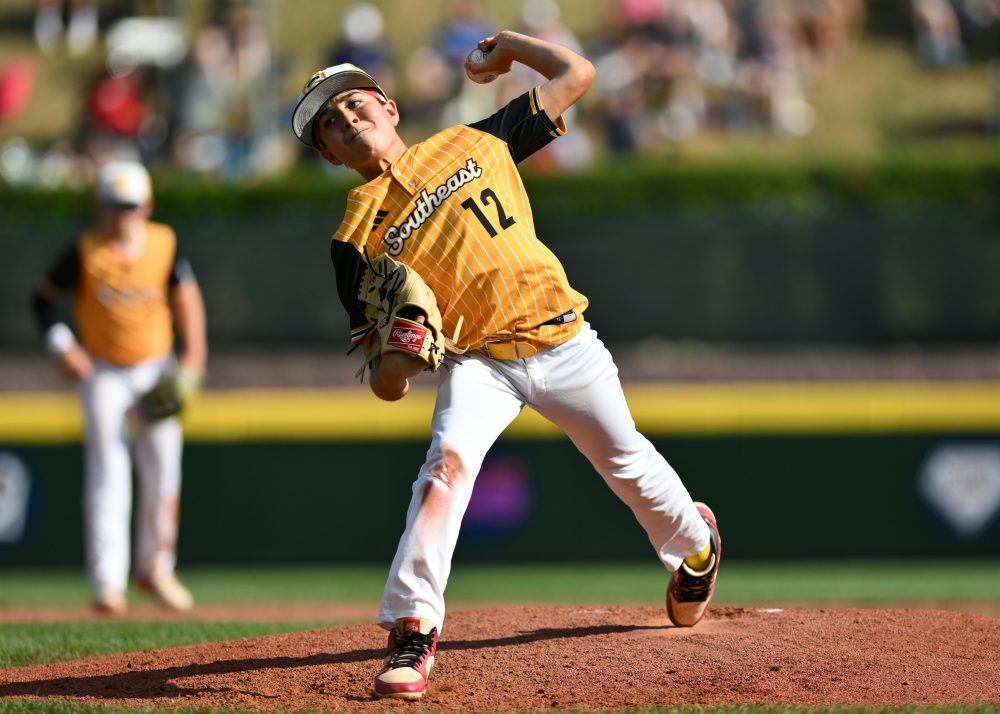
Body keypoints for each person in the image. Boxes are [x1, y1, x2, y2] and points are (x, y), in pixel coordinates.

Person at [290, 31, 721, 701]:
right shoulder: (353, 238)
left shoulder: (475, 141)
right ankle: (412, 630)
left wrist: (511, 50)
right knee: (444, 468)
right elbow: (384, 383)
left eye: (354, 102)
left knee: (625, 461)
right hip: (477, 362)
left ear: (389, 107)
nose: (347, 118)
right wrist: (399, 358)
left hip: (564, 339)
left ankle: (696, 546)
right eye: (329, 121)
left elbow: (577, 73)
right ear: (327, 153)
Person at [30, 160, 207, 615]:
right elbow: (42, 300)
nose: (121, 216)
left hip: (156, 367)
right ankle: (108, 582)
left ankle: (156, 567)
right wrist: (62, 344)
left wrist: (192, 365)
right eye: (113, 206)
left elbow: (187, 300)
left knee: (163, 469)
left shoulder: (164, 243)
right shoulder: (85, 250)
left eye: (129, 206)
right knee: (107, 470)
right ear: (99, 207)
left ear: (146, 206)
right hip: (103, 370)